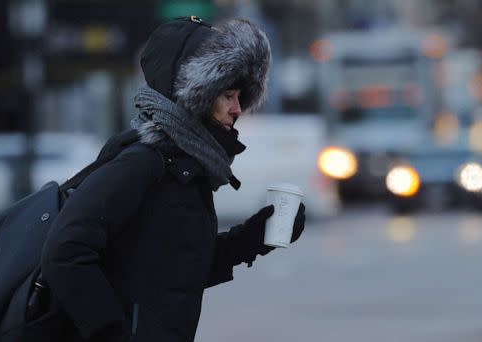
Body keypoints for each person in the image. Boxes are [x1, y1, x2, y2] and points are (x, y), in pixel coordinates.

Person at [41, 16, 306, 342]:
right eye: (228, 95)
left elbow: (175, 272)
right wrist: (111, 332)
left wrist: (255, 238)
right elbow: (64, 252)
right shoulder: (142, 164)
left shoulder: (185, 170)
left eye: (240, 96)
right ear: (195, 97)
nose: (238, 109)